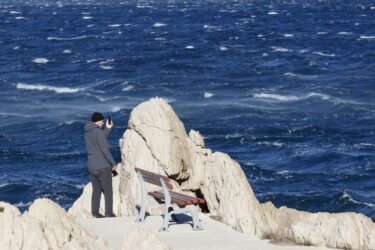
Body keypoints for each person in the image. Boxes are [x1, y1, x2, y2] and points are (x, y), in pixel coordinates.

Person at [84, 112, 117, 218]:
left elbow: (99, 139)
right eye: (102, 121)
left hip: (92, 166)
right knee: (108, 191)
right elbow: (104, 149)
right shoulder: (98, 132)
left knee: (96, 190)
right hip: (103, 166)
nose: (103, 123)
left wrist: (107, 128)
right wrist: (113, 163)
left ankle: (95, 213)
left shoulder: (87, 132)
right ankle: (108, 213)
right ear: (98, 121)